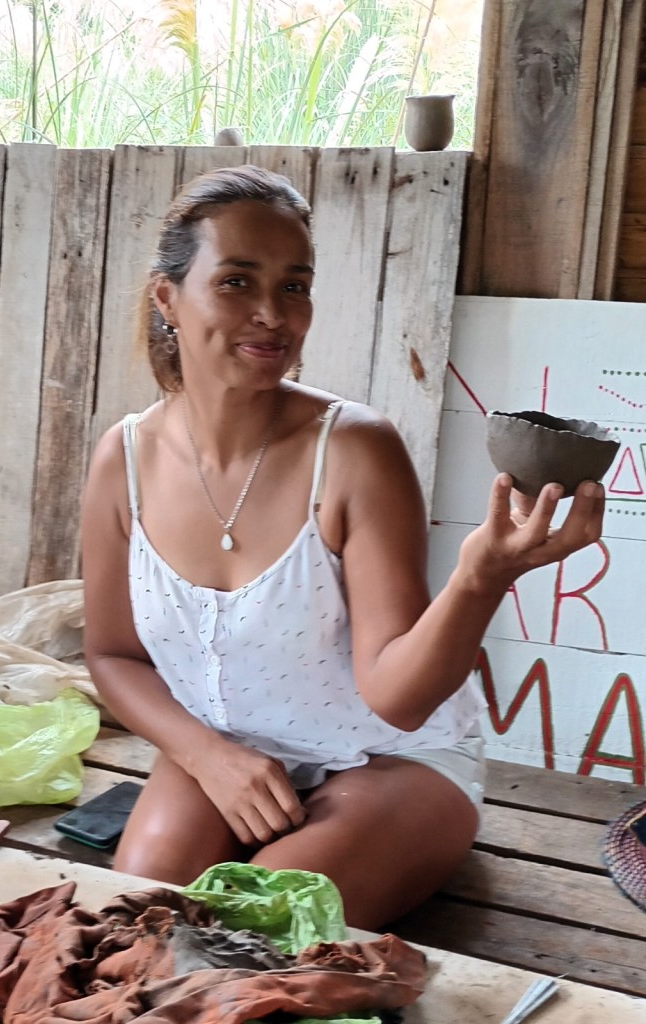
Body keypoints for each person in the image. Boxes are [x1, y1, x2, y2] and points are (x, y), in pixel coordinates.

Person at [81, 165, 605, 931]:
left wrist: (482, 576)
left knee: (253, 936)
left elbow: (399, 696)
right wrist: (206, 755)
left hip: (390, 759)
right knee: (133, 920)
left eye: (295, 286)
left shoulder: (354, 450)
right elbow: (113, 656)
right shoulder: (123, 459)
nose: (272, 314)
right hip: (226, 751)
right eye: (236, 282)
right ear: (168, 298)